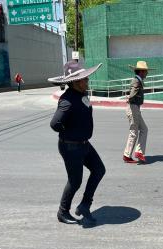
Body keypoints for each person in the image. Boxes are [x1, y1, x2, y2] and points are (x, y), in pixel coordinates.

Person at [48, 61, 105, 225]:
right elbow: (54, 124)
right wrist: (71, 131)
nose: (87, 81)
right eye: (84, 79)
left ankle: (85, 205)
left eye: (86, 79)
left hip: (84, 143)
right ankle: (62, 212)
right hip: (71, 146)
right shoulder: (68, 100)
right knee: (75, 181)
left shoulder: (82, 95)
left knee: (99, 170)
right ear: (74, 82)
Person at [123, 61, 152, 164]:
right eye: (146, 71)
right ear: (141, 72)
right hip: (133, 107)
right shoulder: (136, 81)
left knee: (144, 129)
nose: (147, 73)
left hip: (135, 108)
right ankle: (128, 155)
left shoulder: (138, 80)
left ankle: (137, 152)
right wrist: (129, 97)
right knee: (134, 132)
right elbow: (133, 91)